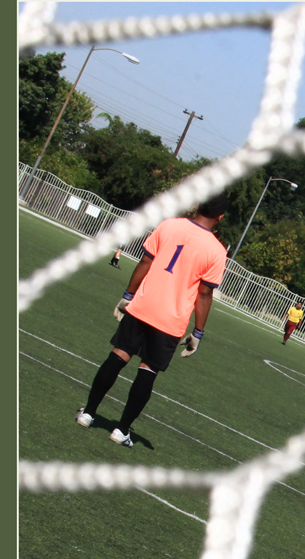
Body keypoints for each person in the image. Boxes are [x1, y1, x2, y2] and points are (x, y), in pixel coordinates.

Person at [75, 191, 229, 447]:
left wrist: (127, 295)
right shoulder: (216, 251)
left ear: (198, 204)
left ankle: (88, 413)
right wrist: (198, 332)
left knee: (118, 355)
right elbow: (204, 294)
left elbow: (145, 262)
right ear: (220, 217)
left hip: (142, 305)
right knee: (147, 371)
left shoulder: (169, 225)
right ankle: (121, 430)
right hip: (170, 319)